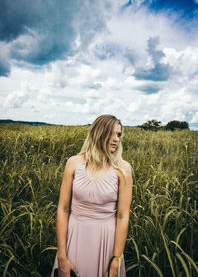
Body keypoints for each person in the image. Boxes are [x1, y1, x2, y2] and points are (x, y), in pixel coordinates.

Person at [51, 114, 133, 277]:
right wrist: (62, 255)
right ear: (98, 133)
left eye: (119, 134)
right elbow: (63, 209)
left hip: (106, 242)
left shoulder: (123, 169)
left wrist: (116, 260)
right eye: (112, 133)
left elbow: (123, 216)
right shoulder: (73, 163)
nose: (116, 139)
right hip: (74, 238)